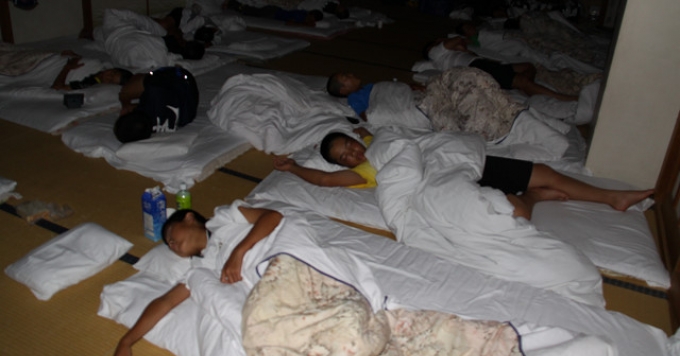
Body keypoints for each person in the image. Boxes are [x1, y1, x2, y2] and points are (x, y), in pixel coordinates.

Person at [273, 128, 654, 220]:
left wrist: (363, 132)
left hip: (452, 157)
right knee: (514, 213)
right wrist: (294, 167)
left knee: (543, 171)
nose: (353, 153)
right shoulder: (364, 172)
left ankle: (612, 198)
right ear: (344, 165)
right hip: (442, 177)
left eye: (349, 145)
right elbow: (324, 180)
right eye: (344, 157)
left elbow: (408, 137)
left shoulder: (376, 140)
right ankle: (534, 198)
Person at [107, 204, 283, 356]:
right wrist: (126, 342)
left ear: (189, 218)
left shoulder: (222, 218)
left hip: (282, 258)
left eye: (171, 235)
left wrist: (238, 252)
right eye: (169, 245)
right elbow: (166, 302)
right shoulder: (203, 268)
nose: (171, 244)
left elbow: (273, 217)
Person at [424, 36, 578, 102]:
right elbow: (459, 39)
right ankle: (561, 98)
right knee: (522, 80)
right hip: (475, 68)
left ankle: (526, 88)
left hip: (484, 64)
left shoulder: (452, 54)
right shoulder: (434, 53)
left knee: (528, 66)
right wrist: (453, 43)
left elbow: (463, 45)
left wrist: (462, 48)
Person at [114, 66, 199, 143]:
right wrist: (125, 104)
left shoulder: (184, 120)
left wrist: (127, 104)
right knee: (127, 92)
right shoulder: (153, 92)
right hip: (179, 76)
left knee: (126, 94)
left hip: (187, 92)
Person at [326, 72, 425, 121]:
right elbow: (367, 117)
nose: (350, 74)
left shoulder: (368, 87)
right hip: (402, 105)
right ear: (343, 90)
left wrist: (409, 87)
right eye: (346, 77)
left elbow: (388, 89)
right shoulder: (354, 98)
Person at [50, 52, 133, 91]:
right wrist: (76, 56)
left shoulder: (89, 83)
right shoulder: (105, 65)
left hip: (50, 69)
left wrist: (67, 68)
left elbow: (57, 88)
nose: (108, 76)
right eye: (112, 73)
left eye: (110, 80)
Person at [222, 0, 324, 27]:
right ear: (311, 15)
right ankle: (232, 2)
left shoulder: (303, 14)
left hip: (274, 11)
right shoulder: (301, 15)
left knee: (251, 11)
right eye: (311, 18)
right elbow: (289, 23)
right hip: (273, 12)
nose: (310, 20)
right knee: (250, 12)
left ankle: (231, 5)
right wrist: (305, 24)